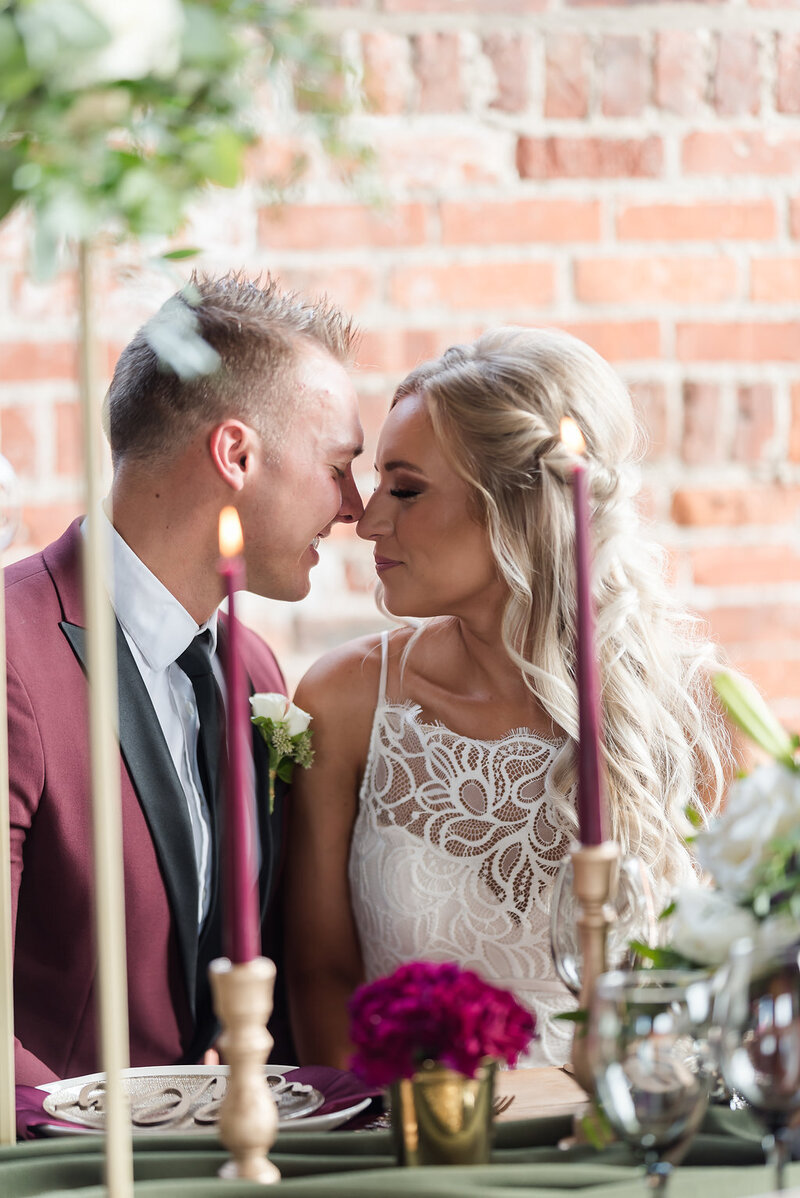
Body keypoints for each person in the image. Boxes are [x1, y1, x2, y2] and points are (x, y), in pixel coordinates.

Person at [285, 325, 732, 1068]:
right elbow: (319, 978)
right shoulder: (347, 701)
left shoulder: (700, 714)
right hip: (426, 1155)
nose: (367, 521)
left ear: (519, 506)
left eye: (407, 490)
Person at [7, 271, 364, 1085]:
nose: (355, 505)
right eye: (340, 465)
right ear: (236, 453)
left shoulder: (254, 670)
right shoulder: (10, 657)